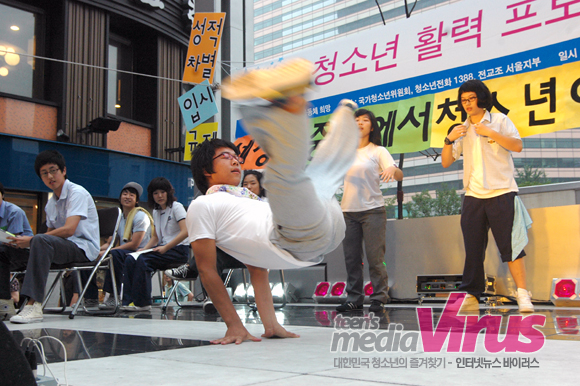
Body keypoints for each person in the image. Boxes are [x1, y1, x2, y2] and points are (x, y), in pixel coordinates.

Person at [186, 58, 359, 344]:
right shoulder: (202, 205)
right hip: (295, 239)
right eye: (225, 157)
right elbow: (206, 269)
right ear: (206, 170)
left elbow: (259, 271)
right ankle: (284, 104)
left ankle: (336, 120)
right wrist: (234, 325)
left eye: (235, 156)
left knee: (318, 177)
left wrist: (272, 325)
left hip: (325, 229)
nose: (235, 161)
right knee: (283, 178)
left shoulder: (247, 197)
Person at [441, 79, 534, 313]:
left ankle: (523, 294)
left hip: (502, 192)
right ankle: (471, 295)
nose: (467, 104)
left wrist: (490, 132)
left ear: (481, 98)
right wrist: (449, 139)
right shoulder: (461, 128)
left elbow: (517, 145)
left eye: (471, 98)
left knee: (511, 247)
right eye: (463, 100)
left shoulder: (500, 120)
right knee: (473, 249)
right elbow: (446, 161)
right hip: (473, 195)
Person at [9, 150, 100, 323]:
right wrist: (24, 244)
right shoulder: (51, 203)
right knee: (8, 250)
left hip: (83, 248)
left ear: (63, 171)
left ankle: (33, 305)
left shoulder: (77, 193)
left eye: (53, 170)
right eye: (44, 173)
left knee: (39, 240)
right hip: (63, 247)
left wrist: (33, 240)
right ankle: (5, 301)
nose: (50, 176)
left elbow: (69, 230)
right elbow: (49, 235)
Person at [336, 109, 403, 314]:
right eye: (356, 120)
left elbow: (398, 174)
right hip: (347, 211)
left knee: (375, 257)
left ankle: (380, 297)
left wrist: (393, 169)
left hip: (372, 210)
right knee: (351, 258)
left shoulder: (378, 151)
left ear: (371, 126)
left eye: (365, 120)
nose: (360, 123)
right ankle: (354, 298)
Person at [119, 177, 189, 312]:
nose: (159, 196)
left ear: (169, 192)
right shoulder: (156, 212)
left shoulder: (177, 207)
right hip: (163, 249)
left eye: (162, 192)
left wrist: (165, 248)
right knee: (131, 258)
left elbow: (186, 232)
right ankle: (128, 301)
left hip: (178, 251)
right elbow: (155, 237)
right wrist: (142, 250)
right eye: (155, 193)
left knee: (144, 261)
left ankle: (143, 302)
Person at [99, 182, 152, 310]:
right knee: (89, 255)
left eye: (131, 195)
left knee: (115, 254)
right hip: (126, 253)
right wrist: (98, 250)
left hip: (140, 252)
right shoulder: (120, 217)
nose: (127, 197)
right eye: (125, 194)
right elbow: (112, 240)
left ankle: (112, 295)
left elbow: (134, 244)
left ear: (137, 200)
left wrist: (109, 251)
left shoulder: (140, 216)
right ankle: (89, 298)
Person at [0, 182, 34, 319]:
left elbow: (15, 242)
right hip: (5, 253)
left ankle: (5, 303)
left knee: (1, 251)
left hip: (25, 253)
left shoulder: (14, 212)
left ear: (2, 195)